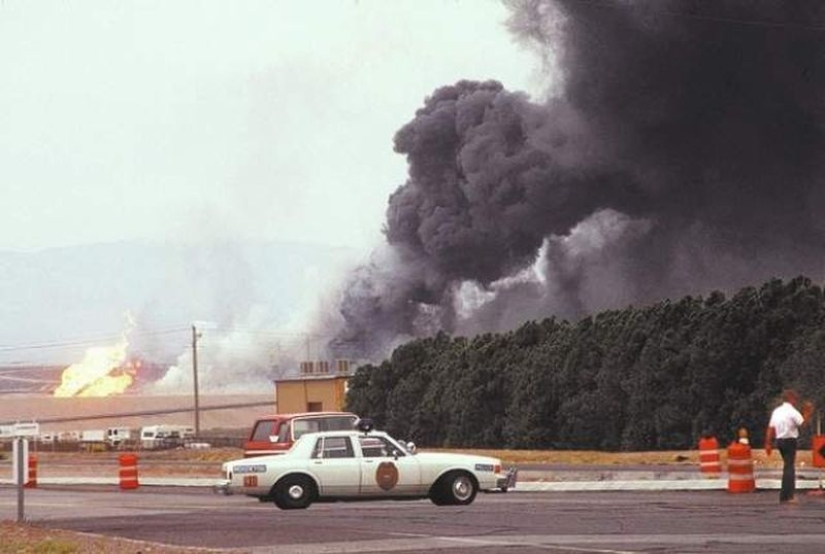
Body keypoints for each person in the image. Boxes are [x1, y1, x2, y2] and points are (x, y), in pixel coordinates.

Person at [765, 389, 814, 504]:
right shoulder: (792, 411)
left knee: (787, 467)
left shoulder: (777, 411)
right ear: (791, 399)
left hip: (779, 441)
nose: (796, 401)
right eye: (795, 398)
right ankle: (788, 496)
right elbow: (803, 424)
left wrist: (768, 443)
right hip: (790, 441)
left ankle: (784, 495)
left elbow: (770, 428)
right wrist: (807, 412)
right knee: (789, 468)